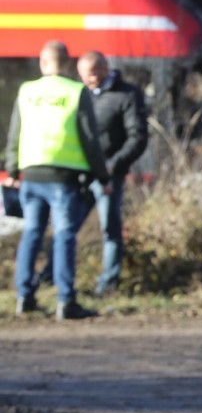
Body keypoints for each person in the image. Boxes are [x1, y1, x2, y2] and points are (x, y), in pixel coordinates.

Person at [4, 40, 112, 320]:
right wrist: (102, 176)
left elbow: (15, 132)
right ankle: (66, 301)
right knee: (64, 236)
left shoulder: (27, 91)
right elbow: (90, 140)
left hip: (31, 176)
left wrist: (12, 170)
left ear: (42, 63)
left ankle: (24, 298)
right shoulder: (76, 92)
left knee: (32, 233)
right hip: (64, 178)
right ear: (68, 64)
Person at [71, 50, 149, 296]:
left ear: (106, 69)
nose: (90, 79)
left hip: (110, 173)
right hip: (80, 173)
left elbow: (137, 137)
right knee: (67, 228)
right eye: (85, 75)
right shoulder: (77, 94)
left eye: (94, 73)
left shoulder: (126, 95)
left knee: (110, 229)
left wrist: (113, 166)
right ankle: (54, 277)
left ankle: (108, 283)